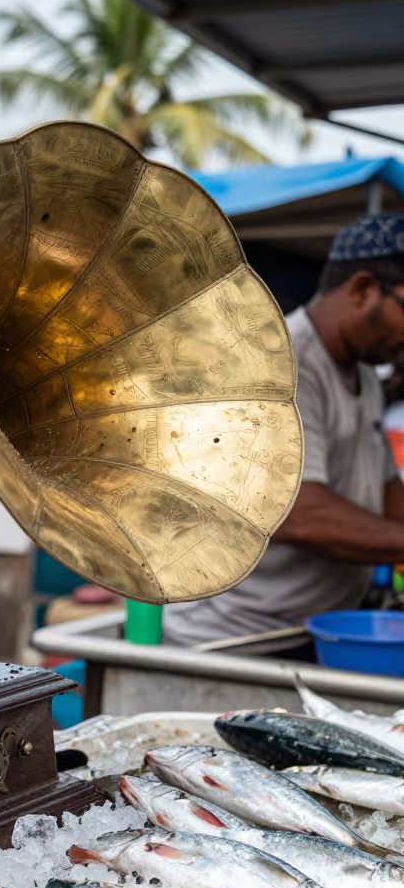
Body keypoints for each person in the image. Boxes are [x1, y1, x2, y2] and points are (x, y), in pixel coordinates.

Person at [165, 213, 404, 650]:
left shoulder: (366, 375)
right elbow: (298, 513)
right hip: (234, 641)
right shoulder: (280, 364)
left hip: (310, 628)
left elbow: (388, 490)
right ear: (364, 289)